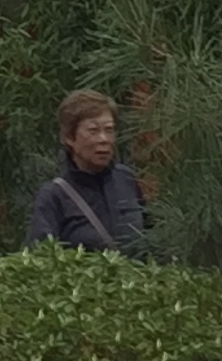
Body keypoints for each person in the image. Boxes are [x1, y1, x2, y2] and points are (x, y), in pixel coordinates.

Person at [24, 88, 150, 256]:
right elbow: (40, 258)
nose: (104, 139)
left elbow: (151, 237)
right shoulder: (55, 196)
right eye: (93, 131)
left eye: (109, 130)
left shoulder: (125, 179)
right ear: (69, 137)